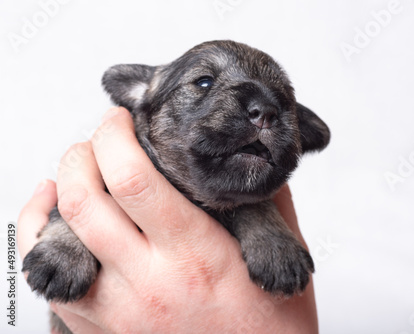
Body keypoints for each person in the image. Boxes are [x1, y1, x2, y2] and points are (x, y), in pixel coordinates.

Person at [18, 107, 318, 333]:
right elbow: (83, 207)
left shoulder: (250, 195)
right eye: (204, 82)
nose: (260, 113)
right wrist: (65, 241)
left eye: (279, 107)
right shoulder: (121, 168)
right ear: (143, 97)